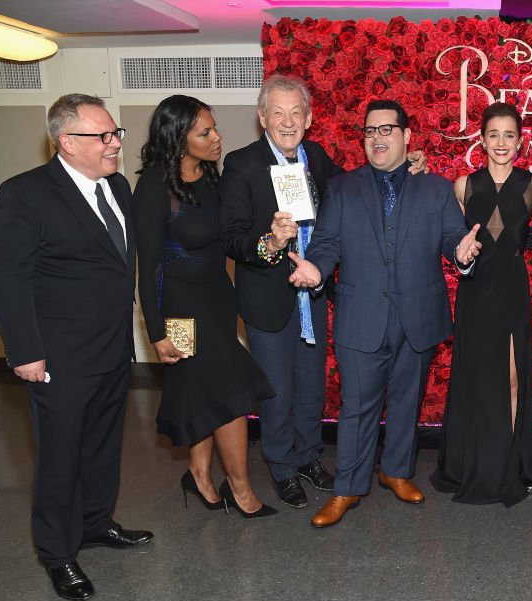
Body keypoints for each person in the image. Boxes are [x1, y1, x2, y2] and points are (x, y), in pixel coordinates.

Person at [221, 75, 427, 510]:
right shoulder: (242, 164)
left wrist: (408, 165)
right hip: (270, 296)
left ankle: (309, 456)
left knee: (311, 386)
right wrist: (271, 243)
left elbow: (360, 184)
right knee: (277, 389)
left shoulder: (315, 157)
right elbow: (233, 239)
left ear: (310, 118)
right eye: (277, 112)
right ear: (262, 118)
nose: (288, 120)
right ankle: (281, 468)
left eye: (296, 112)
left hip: (313, 295)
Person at [0, 94, 153, 601]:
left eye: (115, 133)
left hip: (111, 351)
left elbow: (118, 266)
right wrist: (25, 352)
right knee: (60, 458)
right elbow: (8, 279)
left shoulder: (118, 187)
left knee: (102, 448)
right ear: (66, 142)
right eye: (102, 137)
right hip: (58, 357)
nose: (114, 145)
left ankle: (96, 523)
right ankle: (58, 553)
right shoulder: (25, 194)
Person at [288, 99, 481, 527]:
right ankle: (347, 490)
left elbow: (453, 236)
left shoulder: (435, 188)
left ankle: (396, 471)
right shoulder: (342, 188)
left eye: (386, 130)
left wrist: (463, 253)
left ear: (407, 136)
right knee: (357, 406)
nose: (377, 138)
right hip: (361, 316)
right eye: (370, 131)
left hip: (418, 314)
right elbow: (326, 245)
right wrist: (315, 269)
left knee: (406, 401)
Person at [133, 95, 276, 518]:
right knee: (230, 391)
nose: (217, 138)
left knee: (203, 390)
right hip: (178, 308)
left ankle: (197, 473)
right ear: (178, 138)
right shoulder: (153, 187)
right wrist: (157, 333)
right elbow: (148, 268)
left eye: (214, 128)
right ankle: (241, 489)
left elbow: (233, 235)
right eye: (205, 132)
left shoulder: (212, 177)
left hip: (216, 298)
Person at [430, 102, 532, 506]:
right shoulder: (463, 185)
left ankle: (507, 463)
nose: (501, 142)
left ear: (520, 142)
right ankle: (473, 463)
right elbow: (452, 243)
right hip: (475, 294)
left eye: (509, 135)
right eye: (494, 134)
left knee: (514, 380)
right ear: (481, 140)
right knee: (476, 380)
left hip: (513, 293)